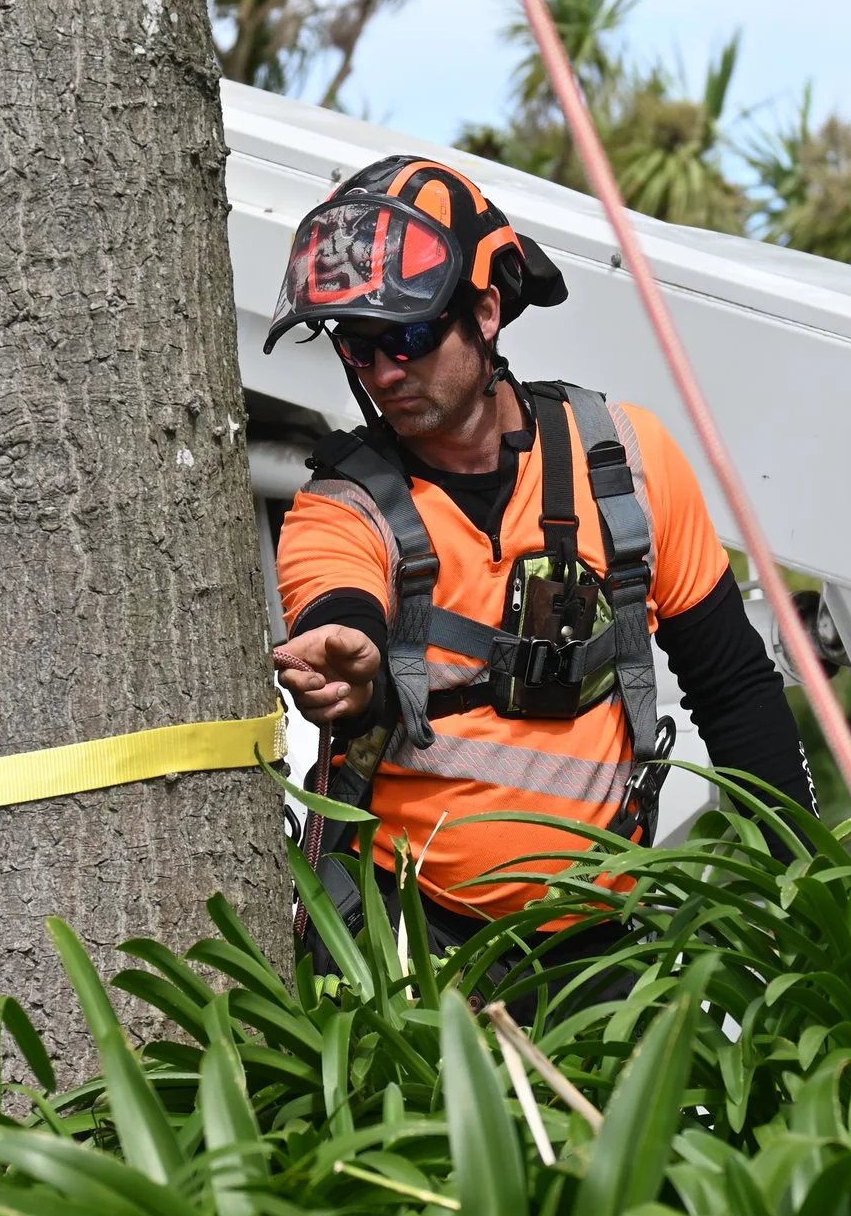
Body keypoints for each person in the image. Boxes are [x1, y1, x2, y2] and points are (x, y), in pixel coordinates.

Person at [266, 155, 811, 999]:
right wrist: (353, 660)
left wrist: (806, 895)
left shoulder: (626, 463)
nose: (383, 373)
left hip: (598, 954)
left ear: (486, 311)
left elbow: (735, 687)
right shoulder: (339, 506)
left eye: (407, 336)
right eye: (358, 348)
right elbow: (342, 602)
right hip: (402, 946)